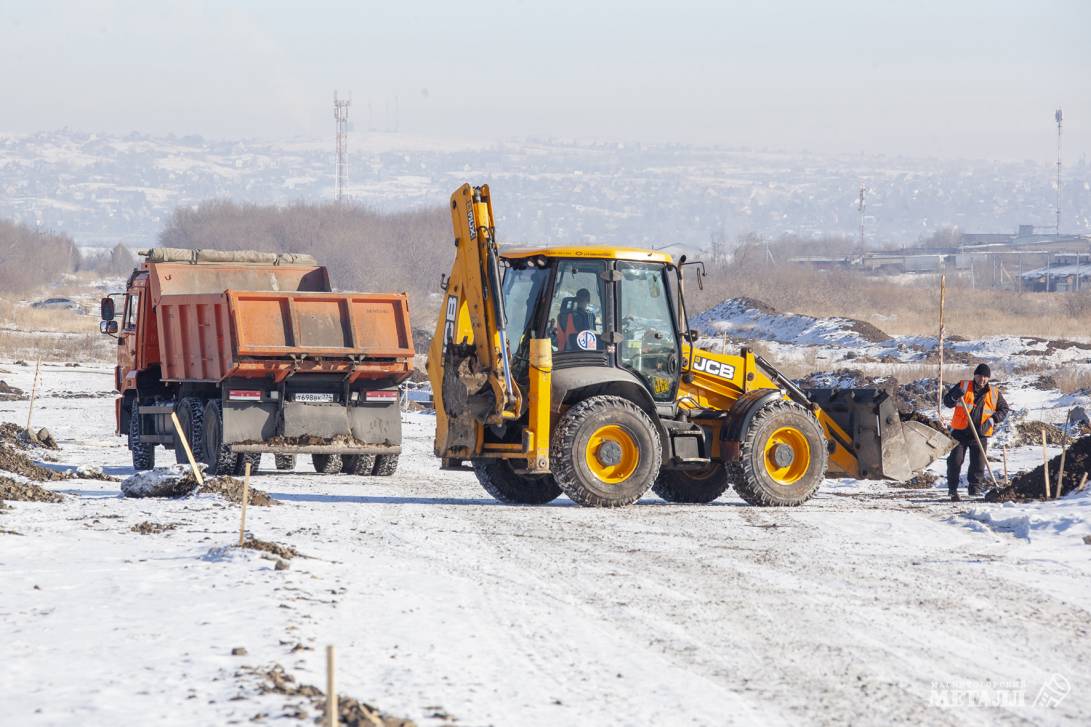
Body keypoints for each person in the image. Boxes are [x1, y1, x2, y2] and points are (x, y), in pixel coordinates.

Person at [943, 363, 1009, 501]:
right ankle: (952, 489)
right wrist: (954, 396)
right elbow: (947, 402)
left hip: (980, 433)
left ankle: (975, 489)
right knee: (955, 461)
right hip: (960, 432)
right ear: (975, 375)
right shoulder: (963, 386)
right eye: (980, 376)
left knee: (978, 464)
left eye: (986, 377)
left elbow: (1004, 409)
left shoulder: (994, 392)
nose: (982, 379)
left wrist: (993, 420)